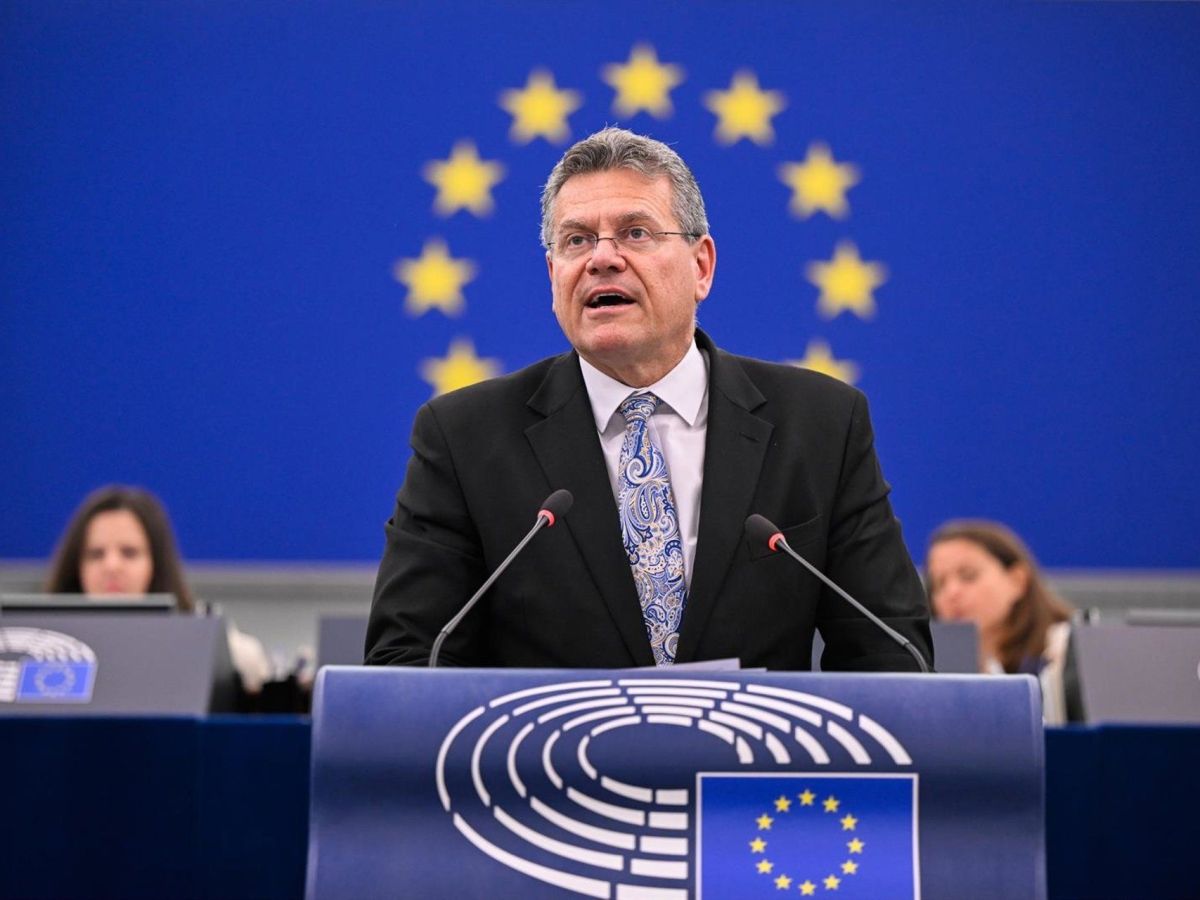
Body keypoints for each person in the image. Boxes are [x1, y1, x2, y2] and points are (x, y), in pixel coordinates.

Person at [366, 127, 932, 671]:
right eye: (576, 240)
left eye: (635, 232)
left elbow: (890, 656)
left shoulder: (821, 425)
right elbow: (409, 662)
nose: (602, 258)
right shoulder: (463, 438)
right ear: (553, 275)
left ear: (701, 266)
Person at [46, 485, 272, 694]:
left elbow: (251, 663)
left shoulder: (204, 637)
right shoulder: (43, 643)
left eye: (129, 553)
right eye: (96, 554)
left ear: (157, 563)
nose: (111, 566)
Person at [925, 519, 1074, 723]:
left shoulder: (1066, 651)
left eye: (968, 576)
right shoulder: (928, 672)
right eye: (939, 584)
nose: (952, 592)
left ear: (1017, 581)